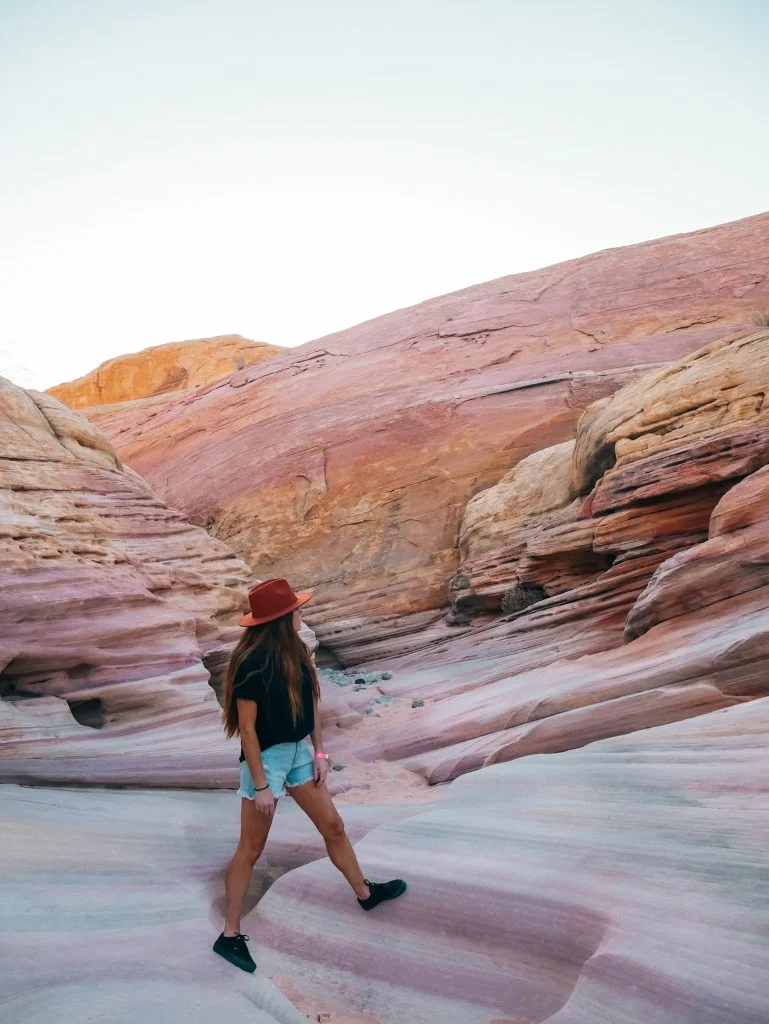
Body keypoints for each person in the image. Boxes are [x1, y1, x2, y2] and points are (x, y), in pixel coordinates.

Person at [213, 578, 407, 973]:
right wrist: (263, 786)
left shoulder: (297, 652)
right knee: (250, 849)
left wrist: (319, 752)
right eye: (297, 610)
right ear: (282, 619)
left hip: (300, 753)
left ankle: (364, 892)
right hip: (266, 760)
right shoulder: (252, 663)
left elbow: (311, 704)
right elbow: (247, 730)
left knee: (333, 825)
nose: (303, 613)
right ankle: (229, 935)